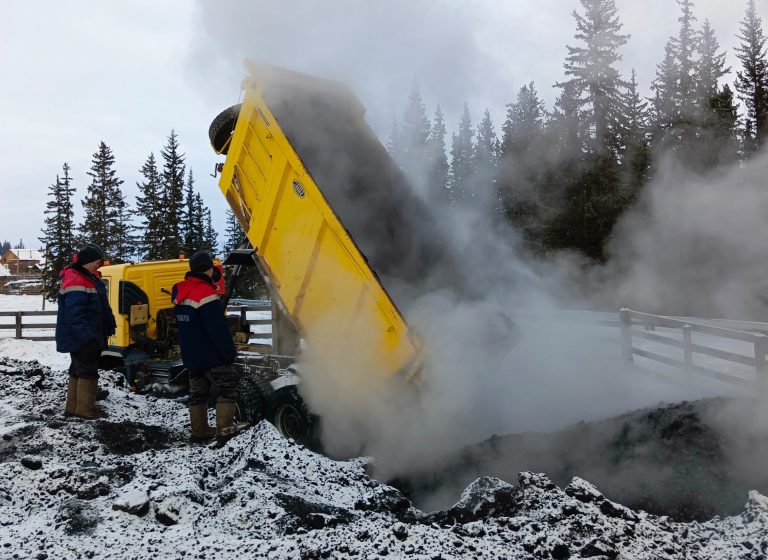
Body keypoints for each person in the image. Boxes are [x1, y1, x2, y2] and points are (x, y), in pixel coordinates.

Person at [172, 251, 245, 442]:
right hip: (210, 355)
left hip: (191, 355)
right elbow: (216, 329)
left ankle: (200, 430)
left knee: (198, 392)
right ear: (208, 268)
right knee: (229, 387)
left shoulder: (180, 290)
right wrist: (228, 353)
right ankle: (225, 429)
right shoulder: (206, 293)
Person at [56, 243, 116, 419]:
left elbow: (102, 306)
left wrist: (109, 323)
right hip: (83, 337)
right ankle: (85, 411)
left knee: (77, 370)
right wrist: (87, 338)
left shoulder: (89, 278)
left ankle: (73, 408)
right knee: (88, 371)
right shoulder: (77, 280)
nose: (100, 264)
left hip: (85, 335)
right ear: (88, 261)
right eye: (97, 261)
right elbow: (75, 315)